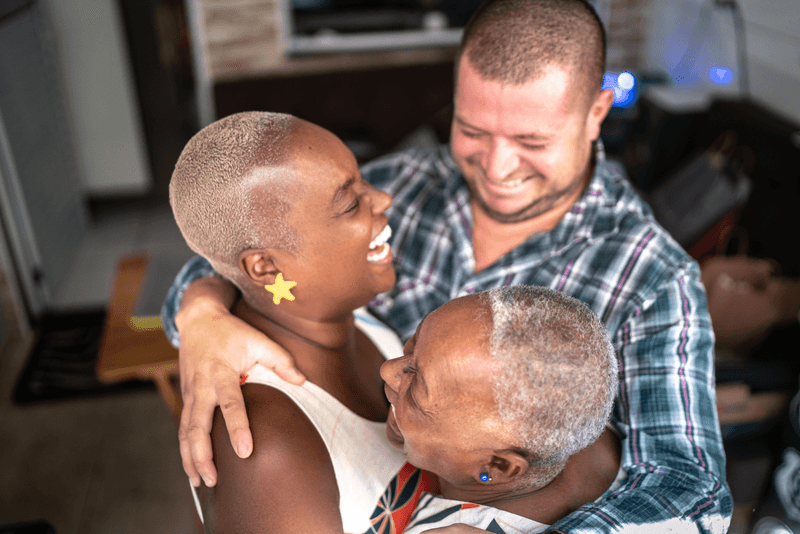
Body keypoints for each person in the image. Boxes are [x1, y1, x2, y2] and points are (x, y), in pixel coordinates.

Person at [162, 0, 733, 531]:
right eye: (473, 130)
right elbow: (251, 247)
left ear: (596, 113)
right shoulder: (408, 184)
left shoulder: (652, 277)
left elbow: (690, 491)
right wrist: (200, 314)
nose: (497, 165)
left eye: (531, 138)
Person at [169, 110, 619, 533]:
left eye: (363, 178)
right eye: (349, 203)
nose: (383, 198)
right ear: (266, 268)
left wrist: (201, 306)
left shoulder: (365, 321)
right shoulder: (264, 446)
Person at [372, 285, 622, 534]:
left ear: (497, 466)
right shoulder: (572, 425)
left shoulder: (440, 529)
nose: (388, 369)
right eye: (413, 345)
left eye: (416, 390)